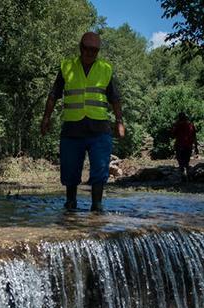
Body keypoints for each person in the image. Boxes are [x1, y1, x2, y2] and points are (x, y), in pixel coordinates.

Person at [40, 32, 125, 212]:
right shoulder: (67, 66)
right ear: (81, 48)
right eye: (88, 49)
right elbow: (54, 94)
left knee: (100, 170)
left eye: (95, 50)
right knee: (70, 170)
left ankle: (97, 205)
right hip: (72, 129)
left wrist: (119, 122)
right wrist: (46, 117)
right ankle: (70, 203)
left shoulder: (105, 68)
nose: (91, 53)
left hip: (99, 129)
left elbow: (115, 98)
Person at [170, 112, 198, 182]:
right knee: (186, 162)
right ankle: (188, 176)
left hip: (179, 146)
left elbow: (172, 135)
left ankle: (183, 177)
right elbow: (194, 137)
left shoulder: (177, 125)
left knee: (181, 162)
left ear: (179, 118)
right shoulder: (191, 125)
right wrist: (196, 147)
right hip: (188, 146)